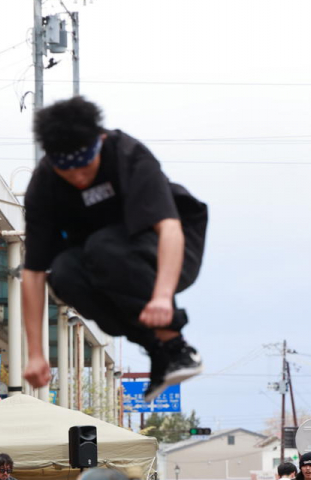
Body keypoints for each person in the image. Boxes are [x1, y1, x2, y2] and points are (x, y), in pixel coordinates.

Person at [21, 96, 208, 402]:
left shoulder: (128, 155)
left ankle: (178, 347)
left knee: (103, 246)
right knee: (65, 273)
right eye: (70, 174)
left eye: (86, 168)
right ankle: (157, 351)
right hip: (107, 264)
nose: (80, 179)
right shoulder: (44, 185)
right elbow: (33, 273)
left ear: (100, 141)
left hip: (171, 251)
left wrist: (162, 297)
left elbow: (169, 228)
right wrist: (35, 354)